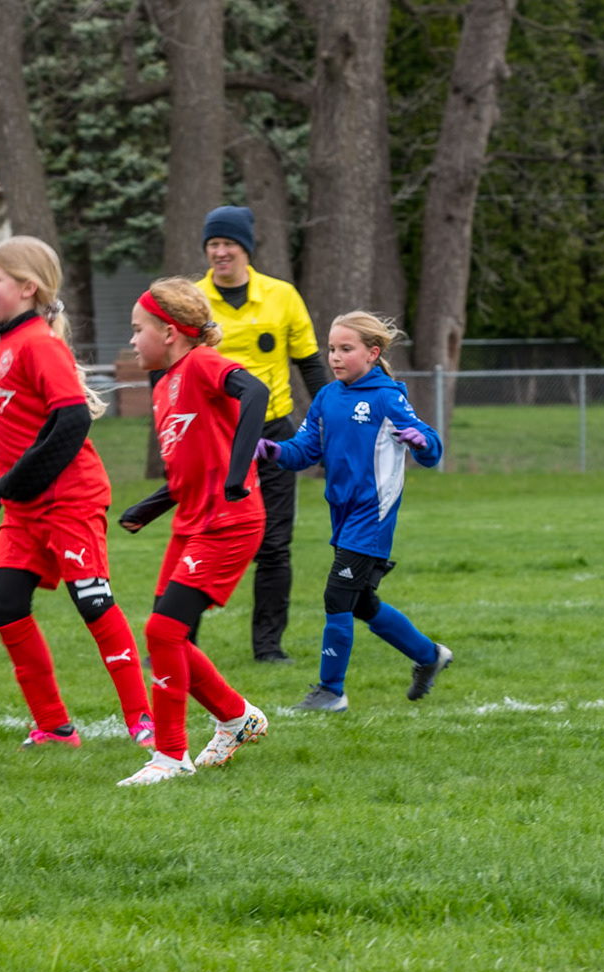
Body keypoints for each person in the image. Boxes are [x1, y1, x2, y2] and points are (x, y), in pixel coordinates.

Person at [0, 236, 154, 749]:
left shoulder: (37, 343)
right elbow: (26, 437)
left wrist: (16, 483)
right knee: (6, 606)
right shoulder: (9, 342)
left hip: (70, 500)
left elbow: (70, 421)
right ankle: (55, 726)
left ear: (27, 288)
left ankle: (143, 722)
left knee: (92, 602)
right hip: (27, 509)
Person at [114, 279, 272, 787]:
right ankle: (236, 717)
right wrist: (151, 506)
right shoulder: (163, 386)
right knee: (167, 634)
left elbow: (256, 391)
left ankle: (170, 756)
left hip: (229, 522)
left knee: (163, 632)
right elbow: (188, 468)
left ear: (170, 330)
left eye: (138, 330)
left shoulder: (201, 363)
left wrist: (237, 473)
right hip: (191, 523)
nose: (133, 340)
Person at [256, 312, 450, 711]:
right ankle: (430, 656)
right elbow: (305, 449)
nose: (335, 357)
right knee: (360, 603)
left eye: (346, 349)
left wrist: (421, 441)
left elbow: (431, 448)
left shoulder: (387, 396)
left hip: (372, 517)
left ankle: (331, 691)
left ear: (372, 353)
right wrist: (275, 451)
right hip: (341, 516)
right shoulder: (328, 397)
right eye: (331, 348)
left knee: (337, 596)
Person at [196, 205, 331, 664]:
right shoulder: (191, 301)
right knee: (200, 533)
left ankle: (268, 647)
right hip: (213, 435)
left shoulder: (282, 296)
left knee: (274, 542)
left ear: (246, 248)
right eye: (213, 245)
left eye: (227, 244)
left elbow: (310, 362)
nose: (219, 252)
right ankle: (177, 636)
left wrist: (332, 415)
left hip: (272, 435)